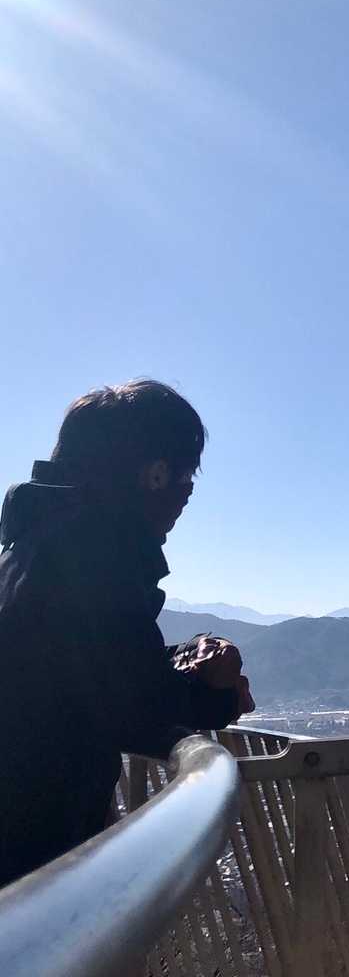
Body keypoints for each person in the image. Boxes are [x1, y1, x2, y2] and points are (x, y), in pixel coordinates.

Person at [0, 380, 254, 887]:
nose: (187, 491)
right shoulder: (92, 552)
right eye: (181, 473)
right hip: (36, 848)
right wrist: (216, 691)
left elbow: (90, 664)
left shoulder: (34, 547)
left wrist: (185, 657)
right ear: (150, 474)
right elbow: (134, 707)